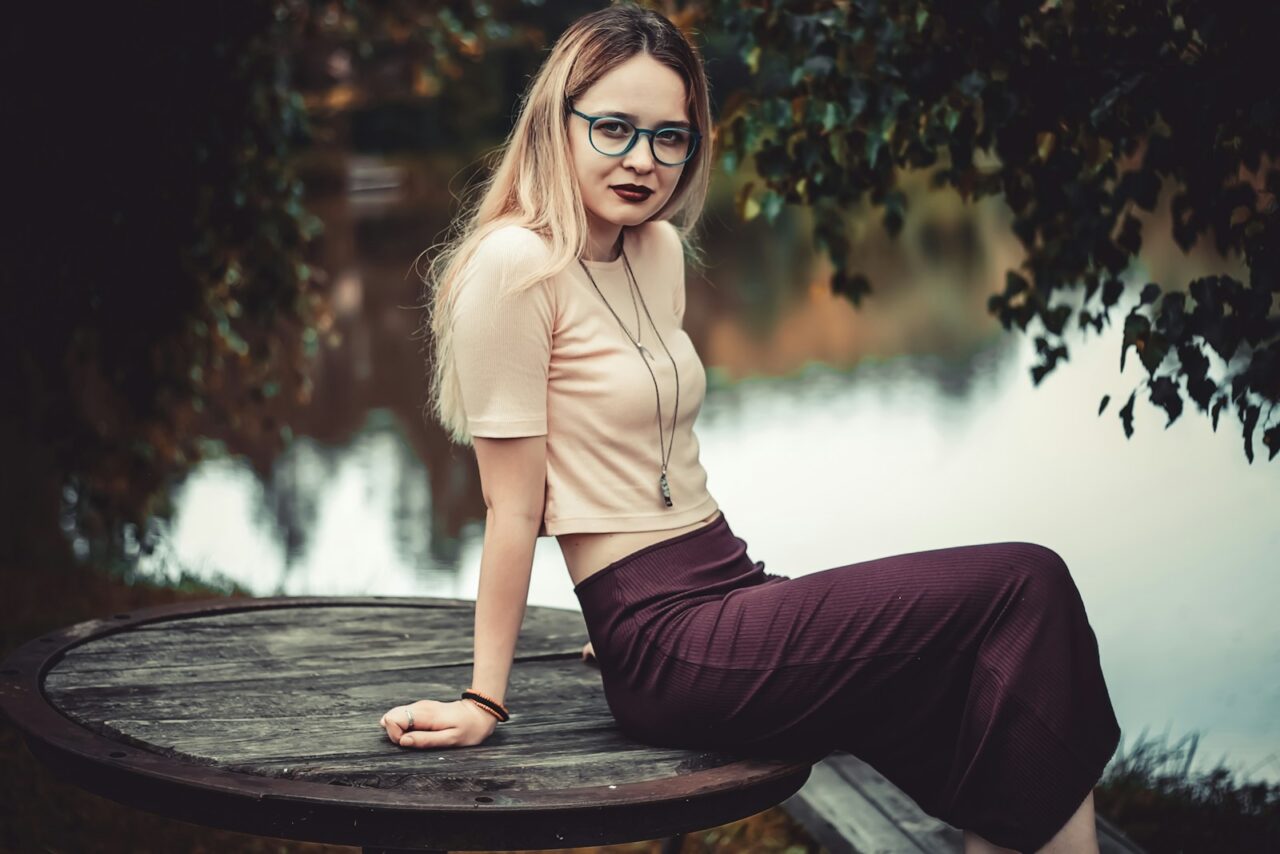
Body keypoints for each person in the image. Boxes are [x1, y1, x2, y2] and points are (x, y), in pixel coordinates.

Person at [380, 3, 1122, 852]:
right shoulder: (512, 270)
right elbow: (512, 511)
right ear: (559, 122)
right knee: (1026, 581)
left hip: (729, 584)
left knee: (987, 659)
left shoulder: (653, 250)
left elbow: (648, 450)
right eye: (615, 128)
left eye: (670, 137)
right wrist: (486, 698)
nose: (642, 161)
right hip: (668, 642)